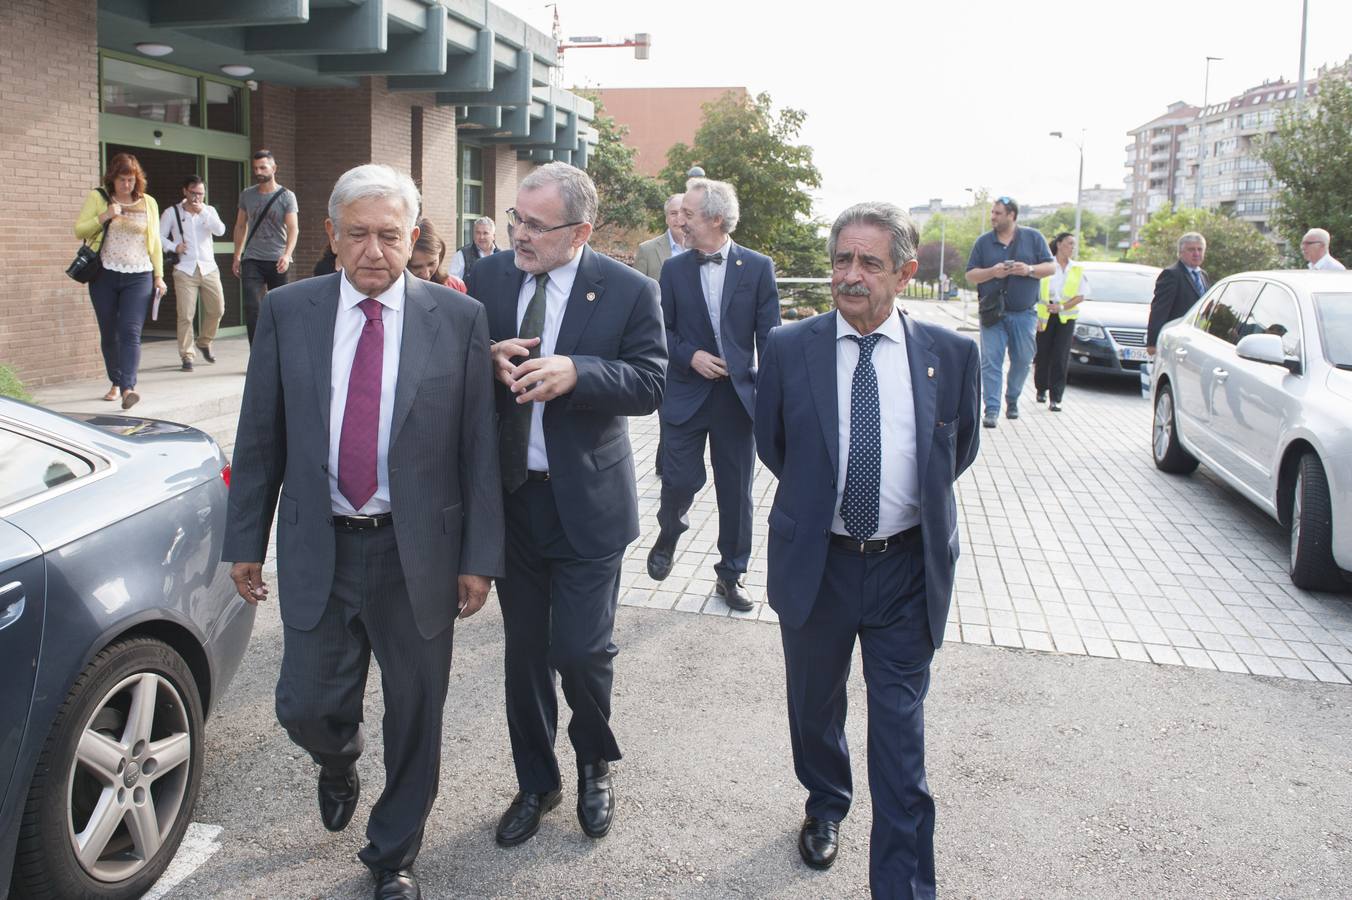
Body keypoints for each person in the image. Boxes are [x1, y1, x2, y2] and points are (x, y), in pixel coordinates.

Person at [223, 164, 503, 900]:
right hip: (323, 544)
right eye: (358, 235)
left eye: (390, 234)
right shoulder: (289, 311)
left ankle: (392, 855)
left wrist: (479, 558)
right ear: (330, 237)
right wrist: (245, 540)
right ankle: (337, 756)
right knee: (305, 703)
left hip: (420, 554)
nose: (374, 250)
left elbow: (479, 445)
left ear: (413, 237)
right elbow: (260, 438)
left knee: (416, 715)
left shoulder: (459, 319)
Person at [755, 201, 980, 897]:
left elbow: (956, 452)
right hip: (818, 566)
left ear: (905, 273)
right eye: (841, 261)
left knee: (901, 746)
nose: (850, 276)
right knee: (814, 709)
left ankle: (904, 888)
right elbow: (776, 447)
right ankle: (826, 802)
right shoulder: (790, 348)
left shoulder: (952, 355)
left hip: (905, 572)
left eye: (869, 263)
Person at [464, 162, 666, 849]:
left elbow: (651, 381)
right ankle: (536, 782)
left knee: (579, 652)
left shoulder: (628, 290)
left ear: (580, 231)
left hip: (587, 504)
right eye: (515, 218)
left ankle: (594, 762)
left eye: (535, 226)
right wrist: (484, 358)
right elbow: (456, 363)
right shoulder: (489, 277)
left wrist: (579, 371)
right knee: (523, 656)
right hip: (514, 502)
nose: (518, 235)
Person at [645, 179, 779, 611]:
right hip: (685, 393)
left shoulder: (759, 268)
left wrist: (775, 399)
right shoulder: (674, 269)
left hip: (737, 400)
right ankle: (670, 529)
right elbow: (660, 332)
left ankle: (731, 574)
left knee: (736, 493)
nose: (679, 221)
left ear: (716, 219)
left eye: (688, 213)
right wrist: (691, 357)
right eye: (679, 213)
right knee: (680, 479)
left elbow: (771, 338)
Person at [73, 152, 165, 410]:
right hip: (104, 274)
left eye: (132, 180)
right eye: (123, 180)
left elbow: (155, 242)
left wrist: (159, 276)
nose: (127, 185)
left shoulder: (149, 203)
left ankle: (128, 388)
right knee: (109, 332)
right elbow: (79, 230)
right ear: (112, 179)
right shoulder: (98, 198)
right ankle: (116, 380)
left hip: (139, 275)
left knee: (131, 331)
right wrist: (105, 216)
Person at [965, 196, 1054, 428]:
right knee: (991, 362)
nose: (993, 217)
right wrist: (992, 272)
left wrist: (1029, 269)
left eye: (997, 213)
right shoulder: (983, 242)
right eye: (993, 213)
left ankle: (1012, 399)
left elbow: (1051, 267)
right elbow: (970, 274)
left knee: (1023, 360)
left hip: (1024, 314)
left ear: (1012, 215)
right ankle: (991, 409)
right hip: (993, 314)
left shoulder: (1033, 238)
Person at [160, 174, 226, 372]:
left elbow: (221, 230)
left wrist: (204, 213)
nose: (198, 198)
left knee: (218, 309)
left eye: (201, 194)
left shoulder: (209, 210)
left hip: (208, 267)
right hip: (184, 270)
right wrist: (174, 246)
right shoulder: (172, 212)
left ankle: (204, 341)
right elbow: (158, 236)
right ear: (185, 191)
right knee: (186, 315)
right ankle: (187, 355)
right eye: (194, 193)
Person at [232, 149, 299, 344]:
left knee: (280, 306)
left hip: (277, 259)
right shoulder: (247, 195)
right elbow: (240, 225)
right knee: (252, 306)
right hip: (252, 258)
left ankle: (281, 346)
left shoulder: (287, 196)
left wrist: (287, 255)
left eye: (263, 167)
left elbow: (293, 228)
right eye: (255, 168)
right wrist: (237, 255)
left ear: (274, 168)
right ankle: (257, 352)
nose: (258, 171)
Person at [1032, 232, 1089, 412]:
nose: (1072, 247)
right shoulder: (1047, 266)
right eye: (1069, 243)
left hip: (1065, 317)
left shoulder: (1077, 269)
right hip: (1045, 316)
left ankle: (1056, 397)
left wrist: (1062, 307)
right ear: (1059, 244)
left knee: (1061, 357)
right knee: (1043, 355)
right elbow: (1035, 292)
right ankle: (1041, 388)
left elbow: (1081, 295)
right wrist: (1036, 317)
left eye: (1074, 244)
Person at [1146, 232, 1209, 355]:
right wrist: (1152, 343)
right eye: (1191, 249)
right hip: (1175, 340)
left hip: (1197, 339)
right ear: (1180, 253)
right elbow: (1159, 310)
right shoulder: (1171, 274)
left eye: (1199, 249)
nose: (1196, 253)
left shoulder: (1203, 275)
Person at [634, 193, 686, 280]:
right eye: (673, 213)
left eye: (683, 213)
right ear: (666, 218)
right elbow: (636, 289)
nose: (679, 218)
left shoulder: (704, 249)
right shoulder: (646, 250)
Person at [409, 218, 468, 293]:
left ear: (440, 255)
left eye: (431, 263)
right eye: (417, 267)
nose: (426, 274)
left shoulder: (455, 286)